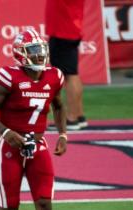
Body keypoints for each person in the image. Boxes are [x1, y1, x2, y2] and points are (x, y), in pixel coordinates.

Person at [0, 27, 66, 210]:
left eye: (41, 49)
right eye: (33, 50)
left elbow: (58, 105)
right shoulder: (10, 77)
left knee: (46, 206)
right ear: (21, 54)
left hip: (37, 146)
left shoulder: (54, 76)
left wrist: (63, 134)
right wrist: (6, 133)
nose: (39, 55)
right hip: (11, 147)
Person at [45, 0, 85, 130]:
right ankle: (78, 115)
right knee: (72, 74)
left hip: (63, 31)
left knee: (69, 75)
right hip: (67, 29)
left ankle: (72, 118)